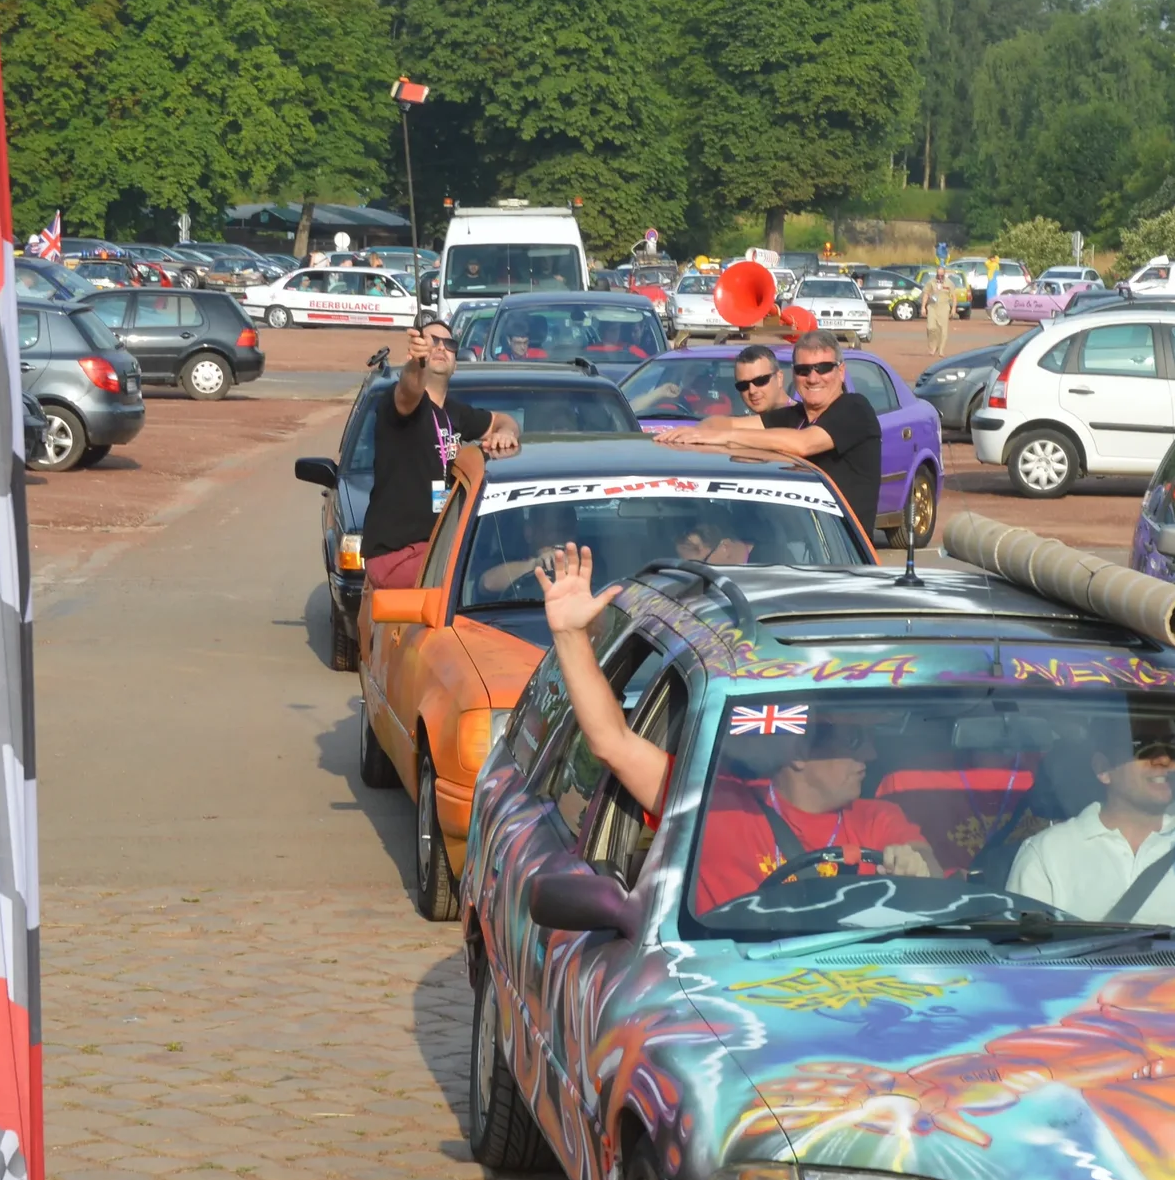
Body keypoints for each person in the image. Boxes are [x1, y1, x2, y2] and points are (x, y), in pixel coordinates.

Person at [535, 547, 936, 910]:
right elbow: (612, 743)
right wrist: (570, 636)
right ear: (798, 753)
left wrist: (919, 871)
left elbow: (928, 864)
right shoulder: (716, 805)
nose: (871, 755)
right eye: (853, 741)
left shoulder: (878, 819)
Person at [1007, 721, 1175, 924]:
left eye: (1174, 746)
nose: (1164, 760)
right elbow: (1020, 965)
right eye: (1145, 747)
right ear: (1103, 769)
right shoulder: (1045, 855)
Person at [661, 328, 881, 539]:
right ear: (793, 374)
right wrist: (697, 433)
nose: (813, 378)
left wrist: (726, 438)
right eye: (803, 370)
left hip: (844, 553)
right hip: (798, 549)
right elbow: (722, 425)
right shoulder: (793, 416)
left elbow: (803, 444)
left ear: (841, 371)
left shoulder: (855, 408)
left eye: (823, 368)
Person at [362, 320, 520, 591]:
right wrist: (416, 365)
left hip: (439, 548)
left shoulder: (455, 413)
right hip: (401, 556)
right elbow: (409, 389)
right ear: (417, 351)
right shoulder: (399, 401)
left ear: (456, 362)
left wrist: (506, 433)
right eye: (431, 341)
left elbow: (504, 420)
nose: (440, 347)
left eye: (449, 344)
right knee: (480, 580)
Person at [923, 266, 955, 358]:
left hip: (944, 306)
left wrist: (953, 308)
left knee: (943, 329)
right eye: (938, 274)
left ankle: (941, 350)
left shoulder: (949, 283)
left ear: (944, 274)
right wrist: (923, 307)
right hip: (932, 306)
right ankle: (933, 346)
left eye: (942, 275)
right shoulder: (931, 282)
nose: (940, 276)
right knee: (930, 327)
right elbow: (926, 294)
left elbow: (953, 296)